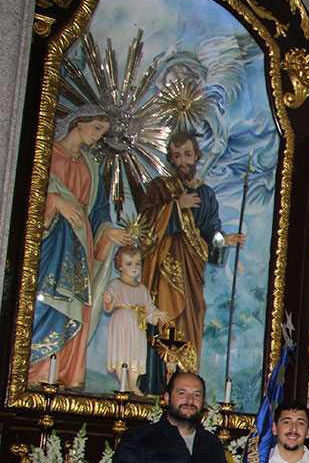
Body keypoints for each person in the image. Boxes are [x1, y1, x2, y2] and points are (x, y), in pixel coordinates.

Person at [136, 131, 244, 393]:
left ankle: (185, 385)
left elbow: (209, 232)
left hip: (191, 277)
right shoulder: (160, 187)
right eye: (176, 156)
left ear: (196, 155)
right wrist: (175, 206)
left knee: (190, 321)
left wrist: (223, 241)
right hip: (164, 271)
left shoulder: (206, 195)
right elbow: (145, 228)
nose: (183, 161)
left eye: (187, 154)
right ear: (170, 160)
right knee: (163, 324)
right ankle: (156, 386)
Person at [30, 106, 130, 387]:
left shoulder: (91, 166)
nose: (99, 137)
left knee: (74, 304)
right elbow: (25, 190)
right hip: (50, 241)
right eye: (97, 128)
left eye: (103, 132)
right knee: (45, 298)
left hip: (80, 246)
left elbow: (98, 211)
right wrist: (56, 202)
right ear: (78, 123)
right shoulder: (45, 153)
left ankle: (60, 374)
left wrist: (109, 232)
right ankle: (32, 372)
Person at [102, 245, 168, 392]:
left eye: (137, 263)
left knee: (135, 351)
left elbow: (148, 306)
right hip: (122, 321)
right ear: (119, 266)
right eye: (129, 263)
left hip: (137, 324)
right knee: (122, 349)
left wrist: (156, 313)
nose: (134, 267)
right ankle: (123, 383)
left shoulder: (141, 288)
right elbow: (109, 304)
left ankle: (133, 383)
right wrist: (107, 300)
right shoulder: (115, 284)